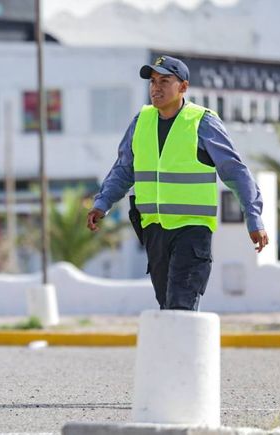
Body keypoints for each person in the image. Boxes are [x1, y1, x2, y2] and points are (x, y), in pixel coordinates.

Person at [87, 55, 269, 310]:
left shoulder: (202, 122)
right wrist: (102, 203)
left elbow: (235, 171)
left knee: (180, 304)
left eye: (164, 81)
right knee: (167, 306)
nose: (156, 87)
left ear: (183, 86)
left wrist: (254, 217)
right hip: (154, 230)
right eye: (152, 81)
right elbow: (123, 169)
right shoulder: (141, 122)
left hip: (192, 230)